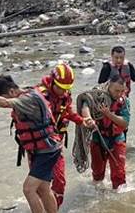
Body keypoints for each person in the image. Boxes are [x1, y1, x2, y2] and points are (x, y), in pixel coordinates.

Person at [0, 76, 62, 213]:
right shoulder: (27, 92)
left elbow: (4, 103)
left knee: (28, 189)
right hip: (43, 149)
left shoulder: (28, 99)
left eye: (5, 97)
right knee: (43, 188)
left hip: (48, 150)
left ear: (11, 92)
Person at [37, 63, 94, 208]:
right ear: (52, 82)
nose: (63, 92)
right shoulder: (38, 96)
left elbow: (68, 111)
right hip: (38, 148)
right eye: (60, 88)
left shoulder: (65, 94)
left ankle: (54, 208)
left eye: (66, 89)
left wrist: (82, 121)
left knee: (60, 181)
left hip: (56, 145)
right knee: (42, 184)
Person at [81, 75, 130, 189]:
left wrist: (108, 114)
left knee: (119, 176)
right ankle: (98, 195)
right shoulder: (98, 96)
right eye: (116, 91)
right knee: (97, 174)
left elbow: (125, 123)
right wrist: (88, 118)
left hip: (117, 138)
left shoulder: (124, 101)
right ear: (109, 87)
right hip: (99, 137)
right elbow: (85, 104)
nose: (119, 94)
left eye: (122, 91)